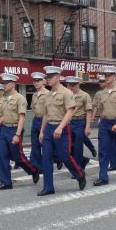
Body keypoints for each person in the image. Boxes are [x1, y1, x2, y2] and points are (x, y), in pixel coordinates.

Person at [38, 66, 86, 196]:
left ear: (58, 77)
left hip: (62, 128)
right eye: (47, 77)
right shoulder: (47, 96)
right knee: (46, 158)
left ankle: (80, 175)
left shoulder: (67, 93)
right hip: (49, 129)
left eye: (51, 77)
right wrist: (42, 131)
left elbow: (70, 111)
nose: (48, 79)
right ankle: (48, 187)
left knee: (64, 156)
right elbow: (45, 115)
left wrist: (60, 127)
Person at [0, 73, 39, 190]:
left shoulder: (20, 98)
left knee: (17, 157)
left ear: (13, 84)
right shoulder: (3, 99)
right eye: (3, 83)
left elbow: (22, 117)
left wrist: (17, 134)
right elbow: (4, 115)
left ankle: (33, 170)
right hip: (4, 129)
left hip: (15, 129)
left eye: (6, 83)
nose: (4, 85)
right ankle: (6, 182)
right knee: (2, 156)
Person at [65, 76, 95, 172]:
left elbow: (89, 112)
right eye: (69, 84)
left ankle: (78, 169)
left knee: (78, 147)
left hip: (79, 122)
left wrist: (87, 126)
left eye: (73, 85)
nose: (71, 87)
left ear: (78, 84)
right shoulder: (66, 95)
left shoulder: (85, 95)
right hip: (68, 122)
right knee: (69, 147)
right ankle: (83, 160)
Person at [92, 75, 116, 170]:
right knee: (103, 146)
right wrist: (94, 117)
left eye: (102, 81)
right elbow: (96, 106)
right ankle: (105, 171)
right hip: (103, 120)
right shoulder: (98, 94)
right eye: (99, 81)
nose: (100, 83)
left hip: (115, 120)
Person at [29, 72, 50, 172]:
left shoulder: (48, 94)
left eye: (38, 81)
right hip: (36, 120)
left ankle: (47, 164)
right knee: (35, 145)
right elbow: (33, 108)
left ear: (43, 82)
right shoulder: (34, 95)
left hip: (44, 120)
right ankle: (37, 167)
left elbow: (49, 111)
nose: (36, 83)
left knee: (45, 145)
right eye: (34, 81)